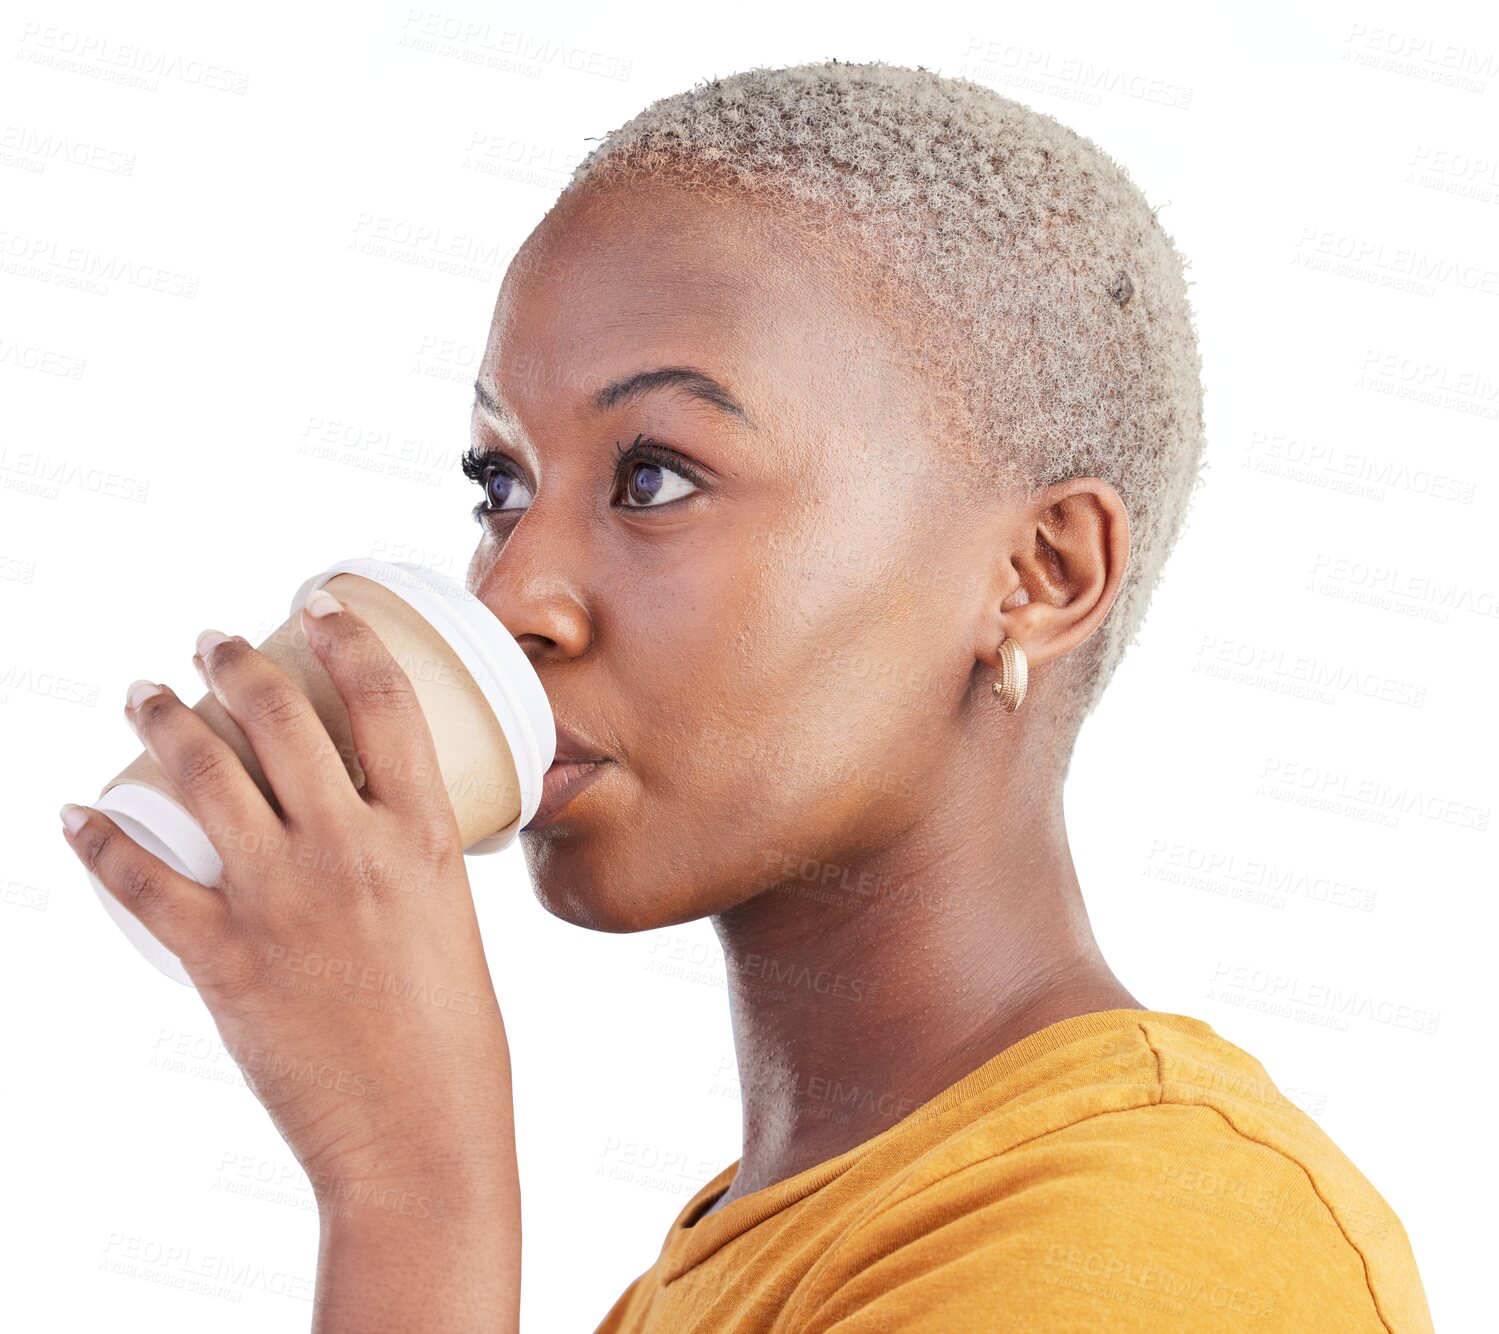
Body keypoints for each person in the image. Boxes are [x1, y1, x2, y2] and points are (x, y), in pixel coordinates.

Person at [64, 59, 1434, 1331]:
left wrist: (414, 1186)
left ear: (1036, 573)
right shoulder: (755, 1254)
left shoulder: (1164, 1247)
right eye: (502, 484)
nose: (514, 594)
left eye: (654, 474)